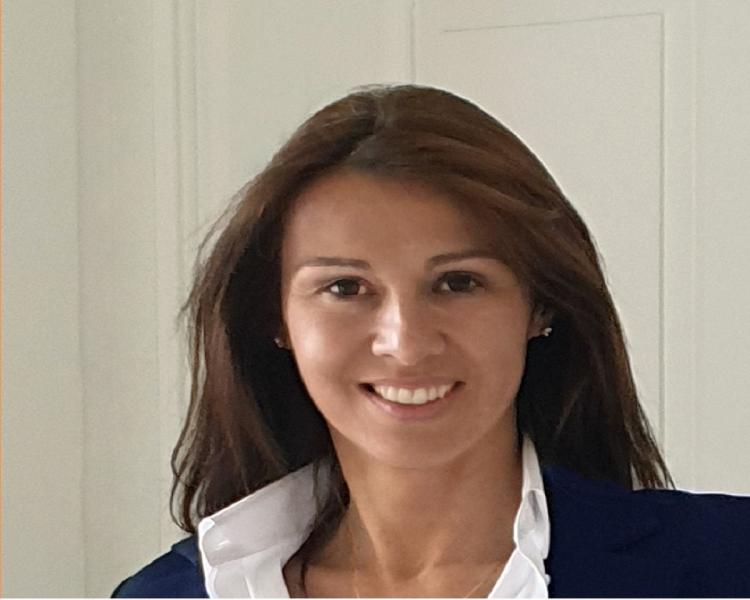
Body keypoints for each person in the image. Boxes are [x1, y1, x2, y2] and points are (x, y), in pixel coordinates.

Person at [113, 85, 750, 598]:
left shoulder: (726, 565)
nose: (406, 343)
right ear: (273, 317)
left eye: (458, 282)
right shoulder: (165, 595)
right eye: (344, 287)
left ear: (541, 305)